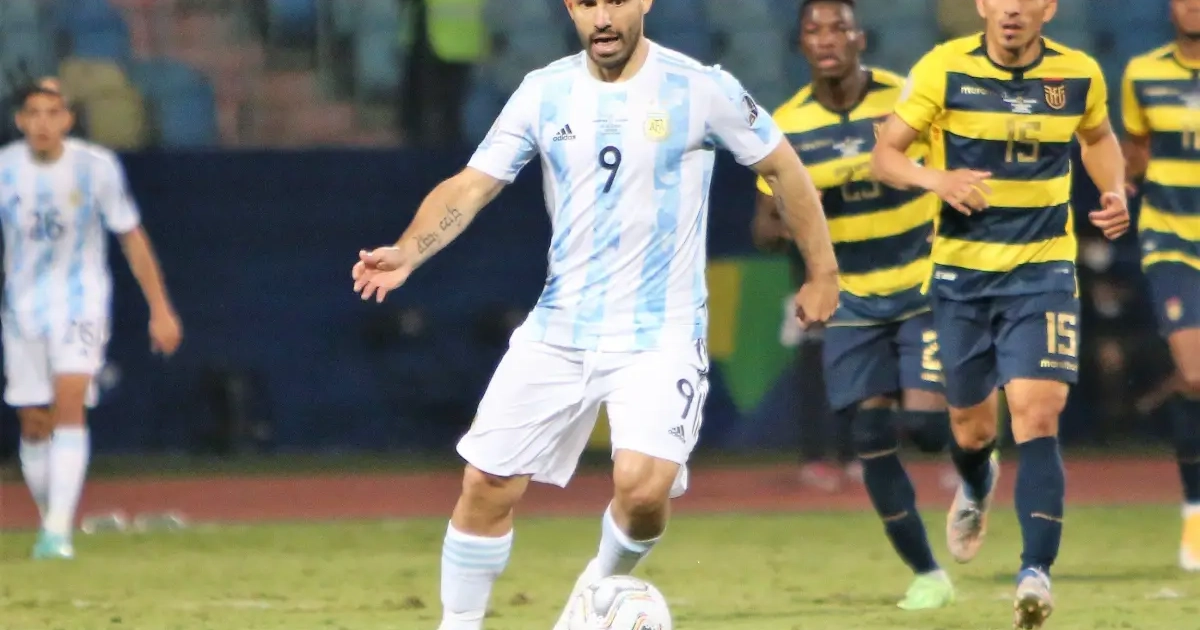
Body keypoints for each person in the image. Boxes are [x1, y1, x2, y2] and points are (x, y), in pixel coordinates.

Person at [350, 2, 840, 629]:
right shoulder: (544, 92)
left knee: (644, 492)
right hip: (561, 327)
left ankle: (590, 598)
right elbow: (473, 184)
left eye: (615, 1)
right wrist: (409, 251)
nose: (602, 16)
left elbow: (783, 167)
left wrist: (823, 272)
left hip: (661, 334)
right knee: (486, 485)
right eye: (587, 3)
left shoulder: (701, 88)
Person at [870, 0, 1131, 626]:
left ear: (1049, 8)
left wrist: (1114, 188)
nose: (1012, 8)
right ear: (983, 6)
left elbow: (1098, 138)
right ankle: (977, 480)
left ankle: (1034, 573)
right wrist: (938, 181)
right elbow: (886, 155)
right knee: (970, 429)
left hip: (1043, 273)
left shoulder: (1078, 75)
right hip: (961, 278)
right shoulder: (943, 68)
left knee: (1037, 414)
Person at [752, 0, 954, 609]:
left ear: (860, 37)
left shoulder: (907, 99)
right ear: (800, 45)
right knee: (870, 432)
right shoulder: (785, 125)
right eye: (813, 30)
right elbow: (764, 228)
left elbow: (953, 167)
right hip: (851, 298)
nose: (826, 39)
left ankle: (977, 451)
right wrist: (797, 212)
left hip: (921, 287)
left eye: (837, 27)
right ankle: (927, 574)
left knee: (926, 430)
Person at [1, 78, 183, 559]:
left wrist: (160, 307)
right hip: (22, 308)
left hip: (80, 303)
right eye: (34, 113)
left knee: (70, 401)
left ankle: (57, 532)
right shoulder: (5, 170)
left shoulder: (96, 167)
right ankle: (52, 518)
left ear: (67, 119)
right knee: (33, 422)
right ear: (20, 121)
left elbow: (132, 237)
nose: (43, 123)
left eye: (52, 112)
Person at [1121, 0, 1200, 572]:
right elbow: (1136, 153)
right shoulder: (1142, 73)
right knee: (1194, 375)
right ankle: (1195, 511)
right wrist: (1116, 187)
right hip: (1172, 240)